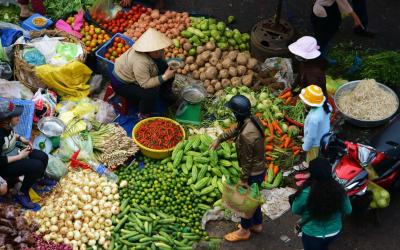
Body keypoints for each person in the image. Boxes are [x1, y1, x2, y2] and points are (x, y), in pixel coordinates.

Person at [210, 95, 266, 242]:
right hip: (260, 168)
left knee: (244, 202)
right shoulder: (250, 120)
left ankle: (244, 230)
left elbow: (247, 162)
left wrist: (243, 180)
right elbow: (235, 129)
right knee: (253, 199)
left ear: (237, 113)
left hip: (253, 171)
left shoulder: (247, 135)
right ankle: (257, 224)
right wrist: (220, 139)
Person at [111, 28, 177, 120]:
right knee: (149, 94)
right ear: (147, 50)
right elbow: (145, 84)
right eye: (155, 51)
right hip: (122, 83)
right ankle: (143, 115)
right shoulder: (140, 61)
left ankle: (164, 94)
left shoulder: (157, 51)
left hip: (138, 73)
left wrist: (168, 70)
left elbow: (161, 61)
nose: (159, 52)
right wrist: (165, 76)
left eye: (160, 49)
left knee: (169, 71)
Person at [291, 157, 352, 250]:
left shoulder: (305, 192)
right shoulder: (339, 189)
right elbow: (348, 210)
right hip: (334, 231)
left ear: (311, 173)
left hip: (312, 234)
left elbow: (295, 210)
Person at [0, 100, 48, 210]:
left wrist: (21, 139)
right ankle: (22, 194)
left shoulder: (7, 127)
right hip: (4, 166)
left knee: (42, 157)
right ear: (5, 120)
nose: (18, 118)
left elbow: (12, 135)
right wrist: (20, 156)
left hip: (14, 152)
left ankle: (37, 179)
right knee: (36, 165)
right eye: (15, 116)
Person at [294, 85, 331, 177]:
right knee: (316, 151)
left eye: (304, 100)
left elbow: (311, 136)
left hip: (315, 142)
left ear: (310, 103)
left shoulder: (313, 118)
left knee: (312, 156)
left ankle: (309, 170)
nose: (302, 101)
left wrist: (305, 147)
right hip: (324, 133)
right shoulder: (326, 106)